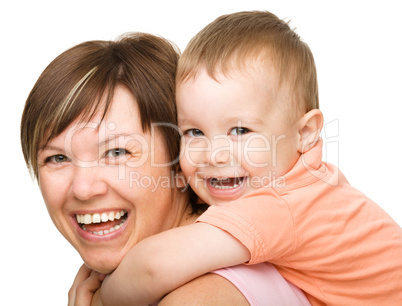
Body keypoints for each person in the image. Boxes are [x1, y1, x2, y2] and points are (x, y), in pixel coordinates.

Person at [97, 11, 402, 305]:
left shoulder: (280, 206)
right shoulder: (313, 183)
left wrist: (99, 299)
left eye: (240, 130)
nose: (214, 154)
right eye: (194, 132)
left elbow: (154, 267)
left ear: (305, 132)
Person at [20, 32, 310, 305]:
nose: (83, 189)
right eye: (57, 158)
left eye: (117, 152)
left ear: (181, 160)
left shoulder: (199, 296)